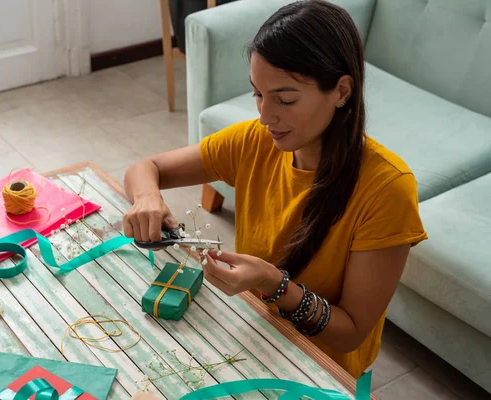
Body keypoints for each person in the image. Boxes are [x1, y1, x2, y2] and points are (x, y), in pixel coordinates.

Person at [122, 0, 427, 380]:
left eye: (285, 99)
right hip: (253, 334)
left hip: (321, 371)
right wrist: (148, 197)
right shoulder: (255, 141)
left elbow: (350, 334)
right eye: (257, 94)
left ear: (342, 91)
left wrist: (272, 284)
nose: (266, 116)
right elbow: (143, 169)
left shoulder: (387, 190)